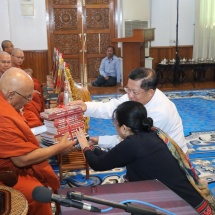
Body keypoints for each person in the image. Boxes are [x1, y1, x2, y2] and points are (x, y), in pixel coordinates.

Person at [75, 101, 214, 215]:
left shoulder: (133, 144)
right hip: (190, 200)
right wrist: (93, 148)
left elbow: (98, 164)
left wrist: (84, 145)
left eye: (115, 124)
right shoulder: (151, 133)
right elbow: (111, 157)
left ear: (124, 128)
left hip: (183, 208)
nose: (114, 127)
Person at [0, 67, 75, 215]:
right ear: (10, 95)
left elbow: (18, 138)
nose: (28, 101)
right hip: (5, 174)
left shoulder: (6, 105)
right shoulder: (3, 117)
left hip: (12, 166)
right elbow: (21, 160)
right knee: (38, 196)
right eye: (27, 97)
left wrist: (41, 139)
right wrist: (59, 148)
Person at [69, 67, 188, 153]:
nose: (129, 95)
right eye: (128, 89)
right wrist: (85, 107)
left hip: (171, 157)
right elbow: (112, 108)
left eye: (134, 92)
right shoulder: (136, 95)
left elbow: (135, 142)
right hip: (151, 149)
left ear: (150, 92)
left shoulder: (160, 113)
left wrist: (100, 140)